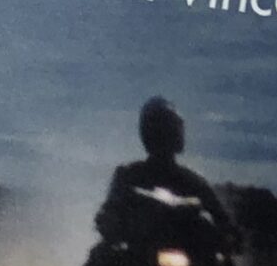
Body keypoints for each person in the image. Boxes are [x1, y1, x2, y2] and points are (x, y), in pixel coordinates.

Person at [94, 97, 236, 252]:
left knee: (221, 263)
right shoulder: (129, 175)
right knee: (102, 255)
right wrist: (110, 224)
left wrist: (228, 236)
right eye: (160, 130)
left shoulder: (193, 181)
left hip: (188, 255)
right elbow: (110, 210)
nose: (165, 135)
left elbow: (220, 219)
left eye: (170, 129)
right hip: (139, 254)